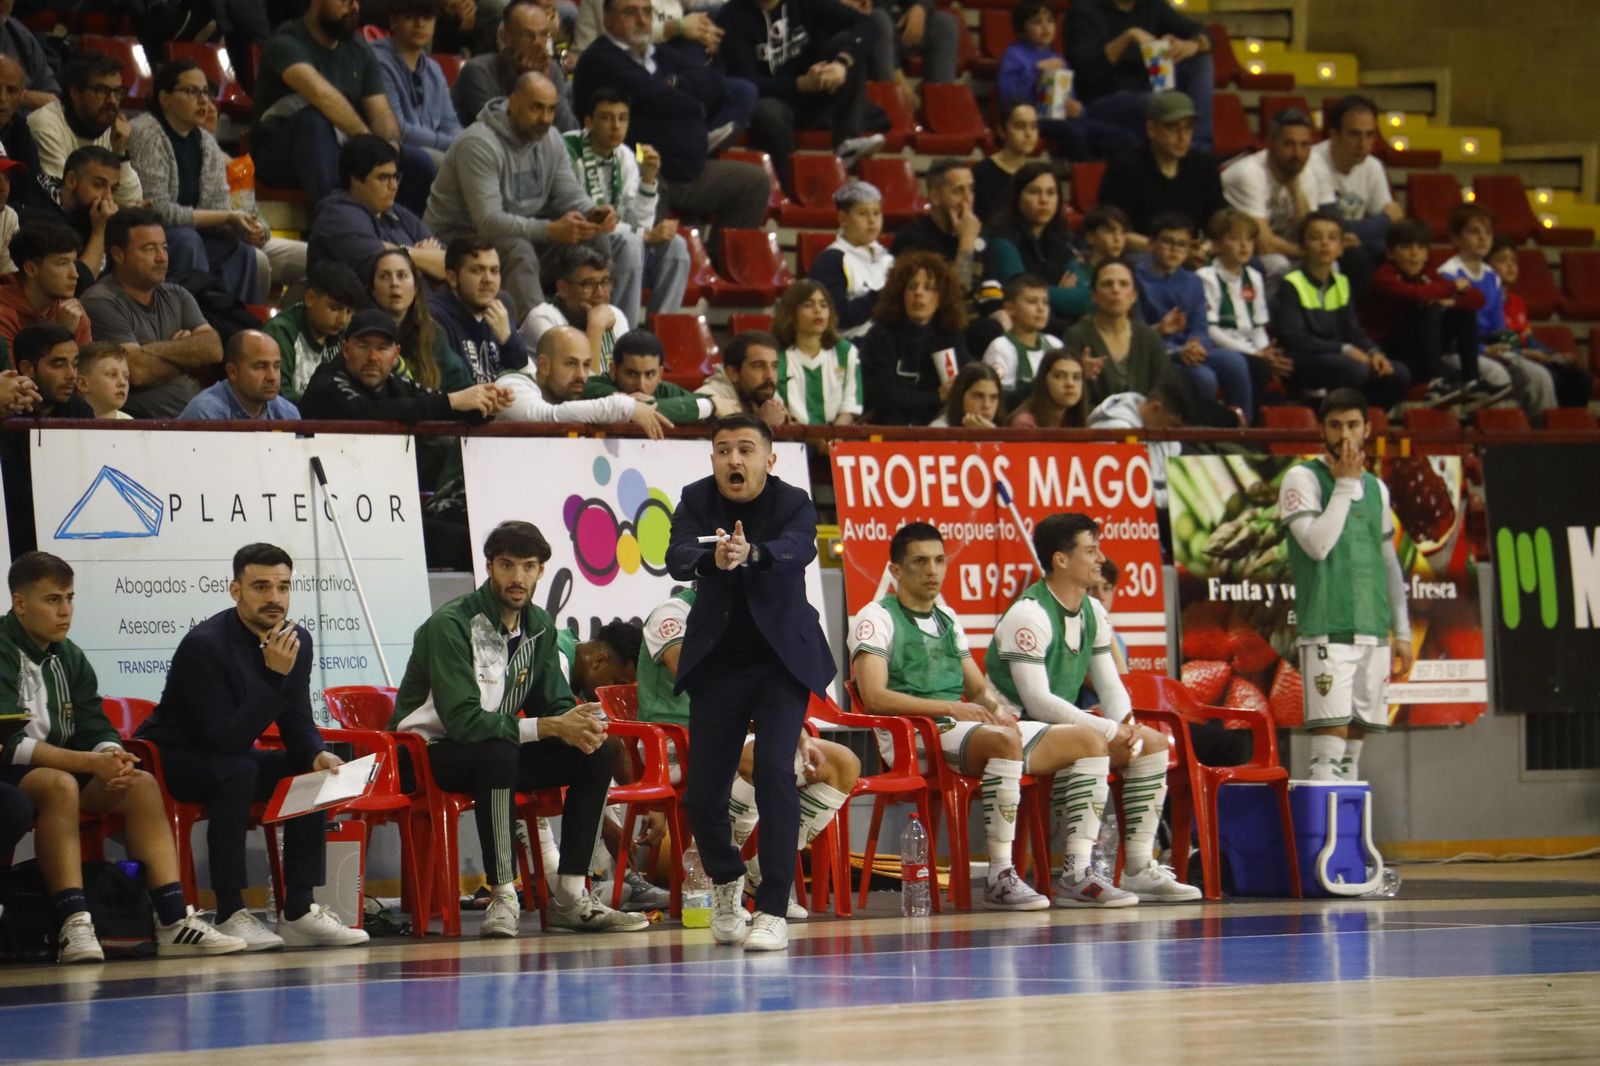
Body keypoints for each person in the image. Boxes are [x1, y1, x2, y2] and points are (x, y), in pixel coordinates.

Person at [391, 520, 651, 936]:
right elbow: (463, 721)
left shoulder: (541, 626)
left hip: (493, 749)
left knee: (594, 751)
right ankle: (502, 896)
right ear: (490, 567)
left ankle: (570, 895)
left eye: (528, 566)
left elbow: (557, 703)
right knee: (498, 751)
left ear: (541, 571)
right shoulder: (451, 625)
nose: (517, 578)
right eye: (507, 565)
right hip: (426, 753)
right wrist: (548, 726)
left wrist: (580, 723)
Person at [849, 521, 1110, 910]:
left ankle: (1076, 871)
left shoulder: (948, 618)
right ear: (897, 570)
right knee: (1003, 742)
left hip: (961, 729)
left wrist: (999, 710)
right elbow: (873, 696)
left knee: (1089, 739)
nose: (933, 570)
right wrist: (951, 707)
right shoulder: (876, 617)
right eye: (920, 561)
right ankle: (1000, 877)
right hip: (914, 738)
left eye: (939, 560)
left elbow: (978, 689)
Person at [0, 551, 247, 962]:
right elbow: (8, 745)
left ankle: (172, 919)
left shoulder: (70, 655)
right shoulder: (3, 649)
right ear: (20, 603)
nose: (65, 611)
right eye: (52, 600)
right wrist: (88, 764)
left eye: (70, 598)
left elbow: (95, 724)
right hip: (13, 771)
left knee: (140, 783)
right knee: (59, 784)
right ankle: (74, 923)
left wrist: (112, 756)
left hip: (67, 765)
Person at [135, 543, 367, 951]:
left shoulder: (295, 639)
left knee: (308, 770)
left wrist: (315, 752)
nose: (274, 598)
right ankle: (229, 911)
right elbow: (224, 738)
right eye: (261, 587)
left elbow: (295, 716)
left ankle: (298, 910)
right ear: (235, 590)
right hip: (175, 758)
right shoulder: (205, 645)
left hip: (230, 755)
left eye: (283, 587)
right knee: (237, 769)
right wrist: (274, 677)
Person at [665, 414, 836, 951]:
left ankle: (773, 910)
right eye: (722, 450)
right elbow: (675, 555)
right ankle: (726, 879)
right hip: (719, 661)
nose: (733, 460)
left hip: (780, 660)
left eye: (744, 450)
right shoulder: (695, 499)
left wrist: (753, 553)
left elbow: (800, 548)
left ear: (768, 458)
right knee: (702, 794)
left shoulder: (792, 501)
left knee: (773, 774)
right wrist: (713, 559)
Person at [988, 513, 1198, 902]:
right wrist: (1106, 730)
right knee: (1092, 740)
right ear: (1060, 560)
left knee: (1152, 743)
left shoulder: (1092, 611)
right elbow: (1036, 701)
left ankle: (1138, 867)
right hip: (1013, 728)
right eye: (1090, 549)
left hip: (1057, 729)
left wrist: (1126, 725)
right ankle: (1076, 874)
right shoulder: (1029, 614)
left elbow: (1109, 683)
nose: (1100, 558)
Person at [639, 585, 858, 917]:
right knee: (758, 758)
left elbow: (768, 692)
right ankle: (723, 871)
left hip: (737, 733)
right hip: (674, 738)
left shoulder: (753, 618)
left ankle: (759, 871)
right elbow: (696, 676)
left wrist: (797, 735)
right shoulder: (672, 613)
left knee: (842, 763)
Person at [425, 72, 644, 325]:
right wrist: (551, 230)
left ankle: (601, 326)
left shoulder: (551, 139)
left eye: (551, 110)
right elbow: (487, 221)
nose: (546, 118)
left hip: (518, 234)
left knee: (594, 237)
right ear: (513, 102)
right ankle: (541, 339)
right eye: (537, 108)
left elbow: (569, 194)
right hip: (457, 241)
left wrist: (593, 213)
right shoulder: (478, 143)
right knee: (519, 250)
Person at [573, 0, 771, 265]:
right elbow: (655, 96)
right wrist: (691, 99)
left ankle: (722, 272)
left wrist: (674, 83)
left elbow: (713, 82)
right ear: (607, 18)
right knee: (651, 202)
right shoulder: (600, 59)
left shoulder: (658, 54)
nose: (642, 20)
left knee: (753, 183)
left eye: (647, 12)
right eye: (630, 13)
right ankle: (649, 287)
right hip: (643, 171)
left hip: (689, 168)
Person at [1280, 390, 1413, 781]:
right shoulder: (1302, 478)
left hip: (1372, 630)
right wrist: (1342, 485)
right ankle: (1323, 842)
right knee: (1328, 750)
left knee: (1352, 755)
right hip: (1327, 628)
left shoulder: (1377, 488)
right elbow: (1318, 546)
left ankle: (1348, 842)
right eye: (1335, 425)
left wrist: (1402, 632)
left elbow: (1389, 563)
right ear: (1321, 429)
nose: (1344, 434)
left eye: (1353, 424)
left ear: (1368, 429)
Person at [250, 0, 434, 217]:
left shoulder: (359, 49)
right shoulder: (285, 43)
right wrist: (368, 148)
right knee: (312, 122)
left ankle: (401, 234)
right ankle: (336, 224)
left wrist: (389, 149)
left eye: (356, 1)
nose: (354, 7)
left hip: (340, 147)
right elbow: (323, 96)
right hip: (280, 155)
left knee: (419, 165)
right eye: (345, 1)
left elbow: (381, 111)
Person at [126, 59, 264, 307]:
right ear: (164, 98)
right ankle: (193, 323)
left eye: (206, 92)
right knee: (189, 240)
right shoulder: (146, 132)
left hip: (192, 234)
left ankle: (237, 324)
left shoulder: (206, 142)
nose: (203, 101)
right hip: (155, 234)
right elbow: (157, 211)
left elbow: (219, 206)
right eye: (192, 92)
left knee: (241, 251)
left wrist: (244, 226)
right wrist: (226, 218)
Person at [715, 0, 884, 187]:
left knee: (849, 46)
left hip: (819, 89)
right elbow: (747, 81)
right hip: (777, 102)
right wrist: (799, 84)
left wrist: (841, 63)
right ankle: (789, 182)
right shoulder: (732, 14)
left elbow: (868, 24)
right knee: (765, 110)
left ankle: (847, 142)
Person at [560, 86, 689, 322]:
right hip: (579, 243)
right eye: (607, 118)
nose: (616, 126)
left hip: (620, 239)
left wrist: (648, 179)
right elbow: (586, 219)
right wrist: (646, 236)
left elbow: (639, 222)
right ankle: (622, 338)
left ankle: (657, 337)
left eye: (622, 118)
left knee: (676, 247)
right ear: (588, 122)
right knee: (631, 243)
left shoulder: (625, 155)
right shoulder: (567, 150)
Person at [81, 208, 222, 419]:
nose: (161, 257)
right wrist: (188, 360)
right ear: (118, 254)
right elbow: (135, 371)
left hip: (193, 419)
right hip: (139, 429)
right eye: (149, 249)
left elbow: (213, 348)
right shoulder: (101, 301)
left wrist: (148, 351)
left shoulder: (177, 295)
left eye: (164, 248)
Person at [1271, 211, 1410, 410]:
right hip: (1300, 358)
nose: (1325, 243)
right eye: (1315, 238)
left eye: (1332, 238)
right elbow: (1295, 338)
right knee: (1354, 369)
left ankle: (1366, 424)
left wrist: (1373, 352)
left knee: (1397, 373)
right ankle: (1331, 417)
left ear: (1341, 248)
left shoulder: (1342, 283)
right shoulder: (1291, 284)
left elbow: (1353, 331)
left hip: (1335, 355)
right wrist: (1344, 350)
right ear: (1302, 247)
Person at [1439, 205, 1559, 417]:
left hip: (1487, 350)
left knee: (1539, 376)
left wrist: (1504, 348)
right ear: (1456, 239)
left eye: (1487, 232)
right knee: (1497, 374)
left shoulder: (1492, 277)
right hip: (1456, 353)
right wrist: (1485, 351)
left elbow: (1497, 330)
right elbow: (1447, 338)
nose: (1483, 238)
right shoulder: (1448, 275)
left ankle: (1543, 440)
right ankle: (1496, 439)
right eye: (1474, 232)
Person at [1362, 217, 1497, 403]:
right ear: (1391, 254)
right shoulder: (1384, 276)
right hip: (1389, 348)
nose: (1414, 254)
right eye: (1407, 247)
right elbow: (1415, 294)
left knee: (1462, 311)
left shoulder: (1427, 275)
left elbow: (1476, 299)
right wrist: (1450, 290)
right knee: (1431, 308)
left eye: (1421, 248)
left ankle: (1472, 380)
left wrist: (1451, 303)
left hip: (1418, 347)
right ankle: (1435, 382)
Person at [190, 92, 308, 303]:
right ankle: (252, 327)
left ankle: (283, 327)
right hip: (218, 241)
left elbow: (249, 209)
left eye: (209, 100)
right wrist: (235, 226)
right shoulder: (175, 153)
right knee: (258, 262)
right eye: (197, 97)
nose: (207, 108)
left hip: (249, 238)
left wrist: (261, 229)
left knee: (314, 258)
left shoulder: (230, 161)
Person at [298, 307, 512, 422]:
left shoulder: (396, 383)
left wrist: (483, 406)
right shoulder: (328, 379)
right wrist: (452, 400)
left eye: (382, 348)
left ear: (395, 355)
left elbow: (434, 404)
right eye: (363, 346)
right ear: (346, 350)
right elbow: (367, 413)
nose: (373, 357)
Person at [1136, 212, 1253, 417]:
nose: (1175, 249)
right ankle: (1199, 437)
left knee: (1235, 363)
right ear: (1151, 243)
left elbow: (1200, 326)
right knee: (1204, 378)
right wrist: (1167, 338)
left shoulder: (1193, 281)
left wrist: (1196, 345)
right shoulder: (1135, 278)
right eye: (1167, 242)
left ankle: (1244, 432)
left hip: (1191, 350)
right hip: (1160, 353)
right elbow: (1133, 332)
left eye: (1182, 244)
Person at [1066, 0, 1215, 153]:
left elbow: (1201, 32)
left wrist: (1193, 45)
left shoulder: (1150, 5)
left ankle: (1198, 148)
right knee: (1157, 103)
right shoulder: (1084, 10)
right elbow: (1086, 72)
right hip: (1102, 99)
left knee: (1200, 61)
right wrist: (1128, 37)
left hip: (1148, 88)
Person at [997, 1, 1136, 163]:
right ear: (1021, 30)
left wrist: (1076, 108)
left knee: (1125, 137)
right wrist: (1035, 71)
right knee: (1075, 131)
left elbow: (1069, 95)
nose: (1045, 27)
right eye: (1037, 22)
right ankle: (1082, 178)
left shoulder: (1058, 58)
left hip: (1061, 117)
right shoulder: (1013, 55)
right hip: (1035, 118)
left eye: (1050, 21)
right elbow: (1009, 95)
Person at [1098, 91, 1224, 257]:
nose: (1182, 137)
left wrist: (1204, 248)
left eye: (1188, 128)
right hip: (1142, 254)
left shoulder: (1204, 166)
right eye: (1172, 127)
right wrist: (1171, 251)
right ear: (1151, 129)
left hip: (1193, 254)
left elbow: (1219, 223)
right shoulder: (1124, 167)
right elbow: (1114, 229)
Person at [308, 134, 445, 281]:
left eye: (395, 177)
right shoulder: (336, 215)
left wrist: (402, 253)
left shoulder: (398, 213)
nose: (393, 186)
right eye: (383, 178)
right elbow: (385, 270)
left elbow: (450, 266)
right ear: (355, 180)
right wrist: (426, 259)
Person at [496, 324, 673, 437]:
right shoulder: (512, 385)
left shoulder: (581, 392)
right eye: (571, 364)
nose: (581, 375)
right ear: (543, 365)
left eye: (587, 364)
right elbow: (544, 416)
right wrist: (626, 406)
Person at [1221, 108, 1334, 283]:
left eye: (1304, 145)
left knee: (1331, 266)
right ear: (1270, 143)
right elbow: (1264, 244)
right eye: (1289, 144)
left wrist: (1296, 190)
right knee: (1278, 264)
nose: (1298, 154)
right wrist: (1310, 251)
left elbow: (1309, 233)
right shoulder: (1248, 174)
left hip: (1284, 249)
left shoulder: (1304, 173)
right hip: (1240, 252)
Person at [858, 251, 970, 425]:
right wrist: (935, 396)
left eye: (929, 288)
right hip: (887, 426)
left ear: (941, 297)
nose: (919, 293)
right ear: (900, 294)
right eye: (912, 287)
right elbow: (878, 393)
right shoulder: (879, 335)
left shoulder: (950, 335)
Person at [1197, 207, 1290, 400]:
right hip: (1221, 348)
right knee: (1256, 366)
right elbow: (1211, 332)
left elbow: (1258, 327)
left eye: (1249, 239)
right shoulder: (1206, 277)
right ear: (1216, 244)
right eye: (1234, 238)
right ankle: (1246, 423)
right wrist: (1256, 353)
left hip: (1250, 349)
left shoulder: (1254, 277)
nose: (1244, 246)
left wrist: (1267, 352)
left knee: (1284, 364)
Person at [27, 53, 143, 207]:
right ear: (75, 93)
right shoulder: (46, 124)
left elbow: (132, 203)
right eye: (102, 90)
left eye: (118, 91)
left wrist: (120, 154)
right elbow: (62, 198)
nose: (113, 101)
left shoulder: (112, 126)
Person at [1488, 239, 1593, 408]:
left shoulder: (1517, 302)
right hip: (1505, 358)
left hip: (1527, 353)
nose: (1510, 265)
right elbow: (1498, 344)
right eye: (1502, 260)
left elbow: (1526, 338)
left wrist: (1554, 356)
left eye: (1513, 260)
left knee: (1579, 377)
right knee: (1546, 376)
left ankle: (1569, 429)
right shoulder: (1485, 302)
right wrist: (1535, 355)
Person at [985, 162, 1091, 326]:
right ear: (1017, 197)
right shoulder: (1003, 240)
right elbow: (1020, 296)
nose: (1044, 200)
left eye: (1051, 193)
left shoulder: (1060, 241)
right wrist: (1061, 293)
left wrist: (1045, 295)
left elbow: (1088, 297)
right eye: (1034, 192)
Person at [452, 0, 577, 132]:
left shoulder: (551, 70)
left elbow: (567, 131)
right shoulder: (478, 72)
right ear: (505, 37)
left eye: (543, 35)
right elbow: (501, 132)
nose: (538, 43)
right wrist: (529, 83)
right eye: (528, 35)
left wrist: (545, 84)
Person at [11, 145, 120, 294]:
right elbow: (77, 287)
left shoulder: (91, 214)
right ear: (71, 180)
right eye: (98, 185)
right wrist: (100, 231)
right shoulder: (38, 218)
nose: (108, 197)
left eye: (113, 189)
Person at [1064, 258, 1168, 406]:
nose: (1116, 289)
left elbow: (1163, 390)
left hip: (1142, 423)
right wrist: (1080, 376)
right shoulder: (1076, 336)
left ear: (1133, 296)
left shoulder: (1149, 338)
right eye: (1107, 284)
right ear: (1094, 295)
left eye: (1124, 284)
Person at [427, 237, 533, 384]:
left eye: (494, 271)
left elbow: (523, 377)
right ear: (452, 278)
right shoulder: (434, 318)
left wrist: (508, 340)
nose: (488, 279)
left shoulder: (501, 306)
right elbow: (453, 384)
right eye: (477, 270)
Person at [1309, 95, 1402, 261]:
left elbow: (1394, 229)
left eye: (1370, 135)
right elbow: (1335, 229)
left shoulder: (1373, 166)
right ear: (1334, 135)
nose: (1363, 143)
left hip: (1358, 248)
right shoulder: (1313, 161)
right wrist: (1385, 219)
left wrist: (1363, 240)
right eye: (1354, 134)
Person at [369, 247, 473, 393]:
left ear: (416, 287)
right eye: (384, 277)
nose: (394, 284)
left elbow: (461, 385)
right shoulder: (360, 332)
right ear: (373, 290)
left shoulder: (432, 332)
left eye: (402, 275)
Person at [373, 0, 464, 164]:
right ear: (393, 21)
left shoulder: (434, 69)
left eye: (427, 18)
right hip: (395, 154)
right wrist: (454, 145)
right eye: (410, 17)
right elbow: (399, 130)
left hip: (436, 151)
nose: (419, 24)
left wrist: (462, 144)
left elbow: (451, 123)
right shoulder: (377, 61)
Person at [583, 327, 735, 424]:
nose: (641, 384)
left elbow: (696, 402)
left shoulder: (665, 390)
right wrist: (710, 405)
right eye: (631, 373)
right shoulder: (592, 386)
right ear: (613, 370)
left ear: (661, 374)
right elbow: (632, 408)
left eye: (650, 374)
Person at [263, 259, 365, 403]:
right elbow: (277, 394)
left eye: (349, 311)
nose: (342, 320)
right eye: (335, 308)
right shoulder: (280, 332)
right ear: (310, 298)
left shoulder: (345, 333)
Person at [518, 243, 629, 368]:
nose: (600, 293)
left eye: (605, 282)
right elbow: (581, 381)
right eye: (589, 284)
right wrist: (596, 327)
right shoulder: (543, 319)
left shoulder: (615, 315)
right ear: (563, 288)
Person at [1089, 375, 1190, 508]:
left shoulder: (1169, 437)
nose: (1175, 433)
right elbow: (1121, 494)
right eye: (1174, 425)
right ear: (1155, 408)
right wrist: (1178, 500)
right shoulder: (1115, 430)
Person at [771, 280, 863, 426]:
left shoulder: (845, 352)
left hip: (837, 437)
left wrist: (834, 440)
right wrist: (817, 441)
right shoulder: (775, 355)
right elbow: (778, 412)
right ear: (790, 313)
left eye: (823, 305)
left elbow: (849, 407)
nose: (818, 310)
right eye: (808, 305)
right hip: (791, 440)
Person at [809, 180, 893, 336]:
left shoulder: (888, 259)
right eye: (863, 213)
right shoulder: (830, 261)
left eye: (876, 213)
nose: (872, 220)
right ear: (843, 218)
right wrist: (885, 295)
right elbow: (838, 316)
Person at [890, 159, 983, 300]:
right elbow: (953, 295)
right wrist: (967, 241)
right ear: (935, 197)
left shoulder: (977, 232)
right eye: (958, 191)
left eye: (971, 190)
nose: (967, 199)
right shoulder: (913, 240)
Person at [0, 222, 93, 348]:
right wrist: (62, 332)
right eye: (63, 263)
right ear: (31, 269)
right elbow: (21, 368)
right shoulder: (4, 315)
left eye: (74, 263)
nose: (75, 274)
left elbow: (87, 366)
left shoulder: (71, 311)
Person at [178, 329, 303, 420]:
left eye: (276, 366)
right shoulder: (206, 414)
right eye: (260, 367)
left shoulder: (287, 414)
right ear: (233, 372)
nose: (272, 377)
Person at [982, 274, 1063, 408]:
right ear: (1009, 309)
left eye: (1045, 302)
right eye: (1032, 301)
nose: (1041, 308)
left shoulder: (1055, 344)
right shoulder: (1000, 347)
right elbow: (1000, 401)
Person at [696, 330, 791, 428]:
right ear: (733, 373)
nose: (770, 375)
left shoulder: (767, 396)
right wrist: (763, 424)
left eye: (774, 366)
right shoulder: (708, 402)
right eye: (759, 366)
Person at [0, 55, 54, 220]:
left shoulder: (20, 129)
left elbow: (36, 193)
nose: (2, 98)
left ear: (21, 96)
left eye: (11, 90)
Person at [973, 102, 1040, 226]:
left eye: (1034, 126)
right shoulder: (982, 173)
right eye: (1020, 126)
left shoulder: (1037, 174)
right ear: (1001, 131)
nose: (1029, 134)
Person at [11, 323, 90, 417]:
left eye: (75, 365)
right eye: (59, 365)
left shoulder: (80, 410)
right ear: (27, 369)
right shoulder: (6, 413)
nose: (72, 375)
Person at [1008, 347, 1088, 428]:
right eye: (1059, 376)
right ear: (1044, 381)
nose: (1070, 384)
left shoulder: (1074, 419)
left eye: (1076, 377)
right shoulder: (1025, 424)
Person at [0, 2, 55, 110]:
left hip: (22, 123)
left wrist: (20, 97)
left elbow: (51, 98)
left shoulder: (19, 35)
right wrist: (23, 97)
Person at [929, 362, 1002, 429]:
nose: (987, 405)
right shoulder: (939, 430)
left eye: (993, 397)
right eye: (978, 396)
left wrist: (991, 434)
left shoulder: (1001, 430)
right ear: (960, 397)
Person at [73, 342, 131, 420]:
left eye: (126, 377)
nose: (122, 383)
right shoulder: (66, 423)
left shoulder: (131, 425)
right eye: (112, 375)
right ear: (83, 384)